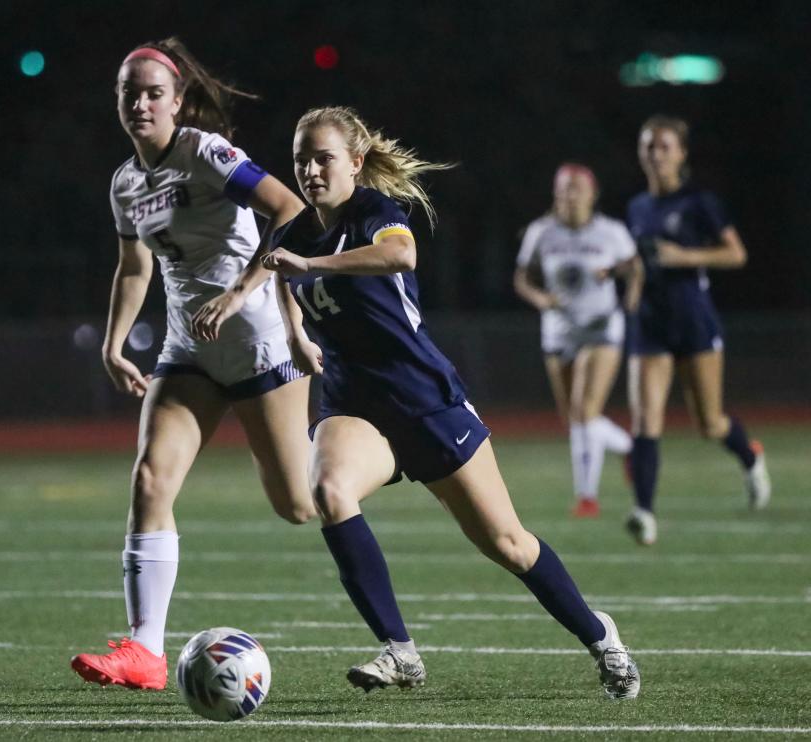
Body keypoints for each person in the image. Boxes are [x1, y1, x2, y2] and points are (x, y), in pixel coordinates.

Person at [262, 106, 640, 699]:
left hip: (423, 399)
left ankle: (601, 636)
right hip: (353, 402)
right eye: (300, 159)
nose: (309, 169)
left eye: (323, 158)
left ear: (355, 164)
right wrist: (294, 335)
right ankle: (399, 650)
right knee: (329, 492)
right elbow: (280, 275)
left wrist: (310, 266)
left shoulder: (375, 213)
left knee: (507, 544)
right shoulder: (291, 236)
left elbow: (400, 255)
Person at [70, 37, 316, 691]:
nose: (141, 102)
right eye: (130, 92)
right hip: (187, 349)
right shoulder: (126, 182)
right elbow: (135, 264)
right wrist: (113, 343)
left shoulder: (205, 153)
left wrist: (239, 294)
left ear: (178, 102)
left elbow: (290, 209)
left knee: (297, 503)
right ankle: (145, 651)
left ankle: (369, 451)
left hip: (256, 340)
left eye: (154, 91)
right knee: (151, 479)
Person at [624, 114, 771, 546]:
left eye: (664, 146)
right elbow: (641, 262)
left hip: (694, 320)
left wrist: (681, 256)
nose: (655, 154)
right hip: (651, 323)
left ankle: (749, 456)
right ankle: (644, 511)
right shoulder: (636, 207)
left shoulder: (700, 201)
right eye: (648, 145)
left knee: (709, 423)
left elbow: (736, 254)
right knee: (645, 419)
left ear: (682, 153)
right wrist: (630, 283)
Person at [514, 164, 643, 518]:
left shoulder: (610, 232)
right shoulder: (542, 232)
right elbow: (522, 278)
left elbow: (634, 267)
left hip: (601, 328)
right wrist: (541, 300)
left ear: (592, 193)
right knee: (575, 419)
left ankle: (587, 497)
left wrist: (629, 297)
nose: (569, 196)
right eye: (563, 189)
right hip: (559, 330)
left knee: (584, 410)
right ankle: (630, 447)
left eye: (576, 189)